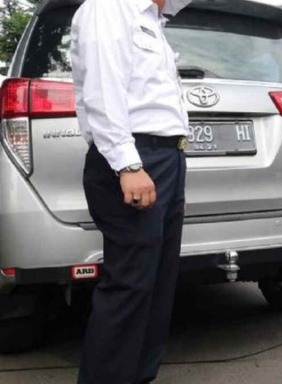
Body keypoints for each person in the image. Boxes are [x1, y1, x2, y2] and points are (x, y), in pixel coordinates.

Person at [70, 0, 192, 383]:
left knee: (157, 285)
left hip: (167, 157)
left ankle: (140, 377)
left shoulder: (154, 19)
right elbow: (103, 90)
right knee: (130, 286)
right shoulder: (109, 7)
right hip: (133, 158)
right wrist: (128, 164)